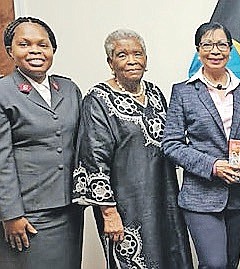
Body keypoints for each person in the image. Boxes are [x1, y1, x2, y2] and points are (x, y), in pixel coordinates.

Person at [72, 29, 193, 268]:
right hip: (125, 207)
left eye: (137, 53)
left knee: (172, 257)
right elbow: (94, 159)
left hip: (164, 199)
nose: (131, 60)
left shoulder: (156, 93)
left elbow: (171, 142)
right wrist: (108, 213)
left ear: (146, 59)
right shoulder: (98, 100)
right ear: (110, 62)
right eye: (122, 55)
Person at [162, 22, 240, 269]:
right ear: (198, 50)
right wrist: (213, 166)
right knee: (215, 264)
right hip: (201, 195)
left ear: (230, 50)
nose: (215, 50)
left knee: (230, 264)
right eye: (208, 44)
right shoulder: (184, 92)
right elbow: (171, 144)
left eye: (222, 44)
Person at [0, 17, 84, 269]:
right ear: (10, 51)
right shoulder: (3, 92)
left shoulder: (68, 89)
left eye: (43, 44)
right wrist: (11, 214)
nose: (35, 50)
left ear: (52, 50)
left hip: (69, 207)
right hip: (28, 212)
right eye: (24, 44)